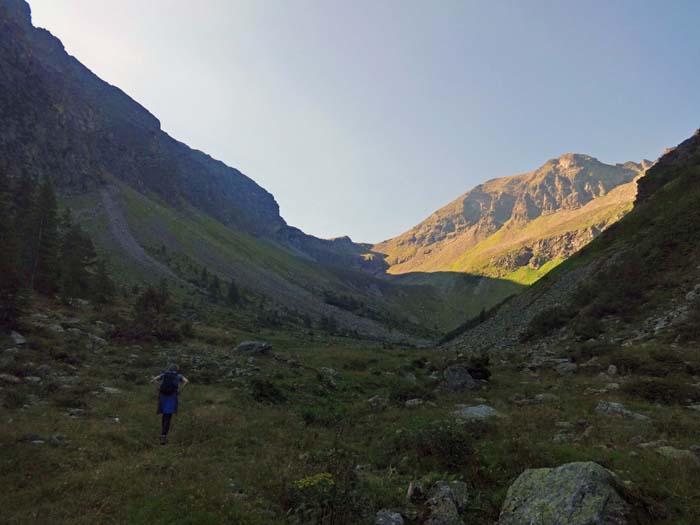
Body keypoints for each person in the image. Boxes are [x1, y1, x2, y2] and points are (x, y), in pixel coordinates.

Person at [150, 364, 189, 445]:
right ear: (176, 369)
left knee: (164, 415)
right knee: (168, 416)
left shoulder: (164, 374)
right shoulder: (178, 376)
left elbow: (153, 381)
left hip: (163, 396)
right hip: (172, 396)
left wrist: (158, 387)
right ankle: (163, 436)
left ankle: (162, 434)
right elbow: (186, 381)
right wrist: (180, 390)